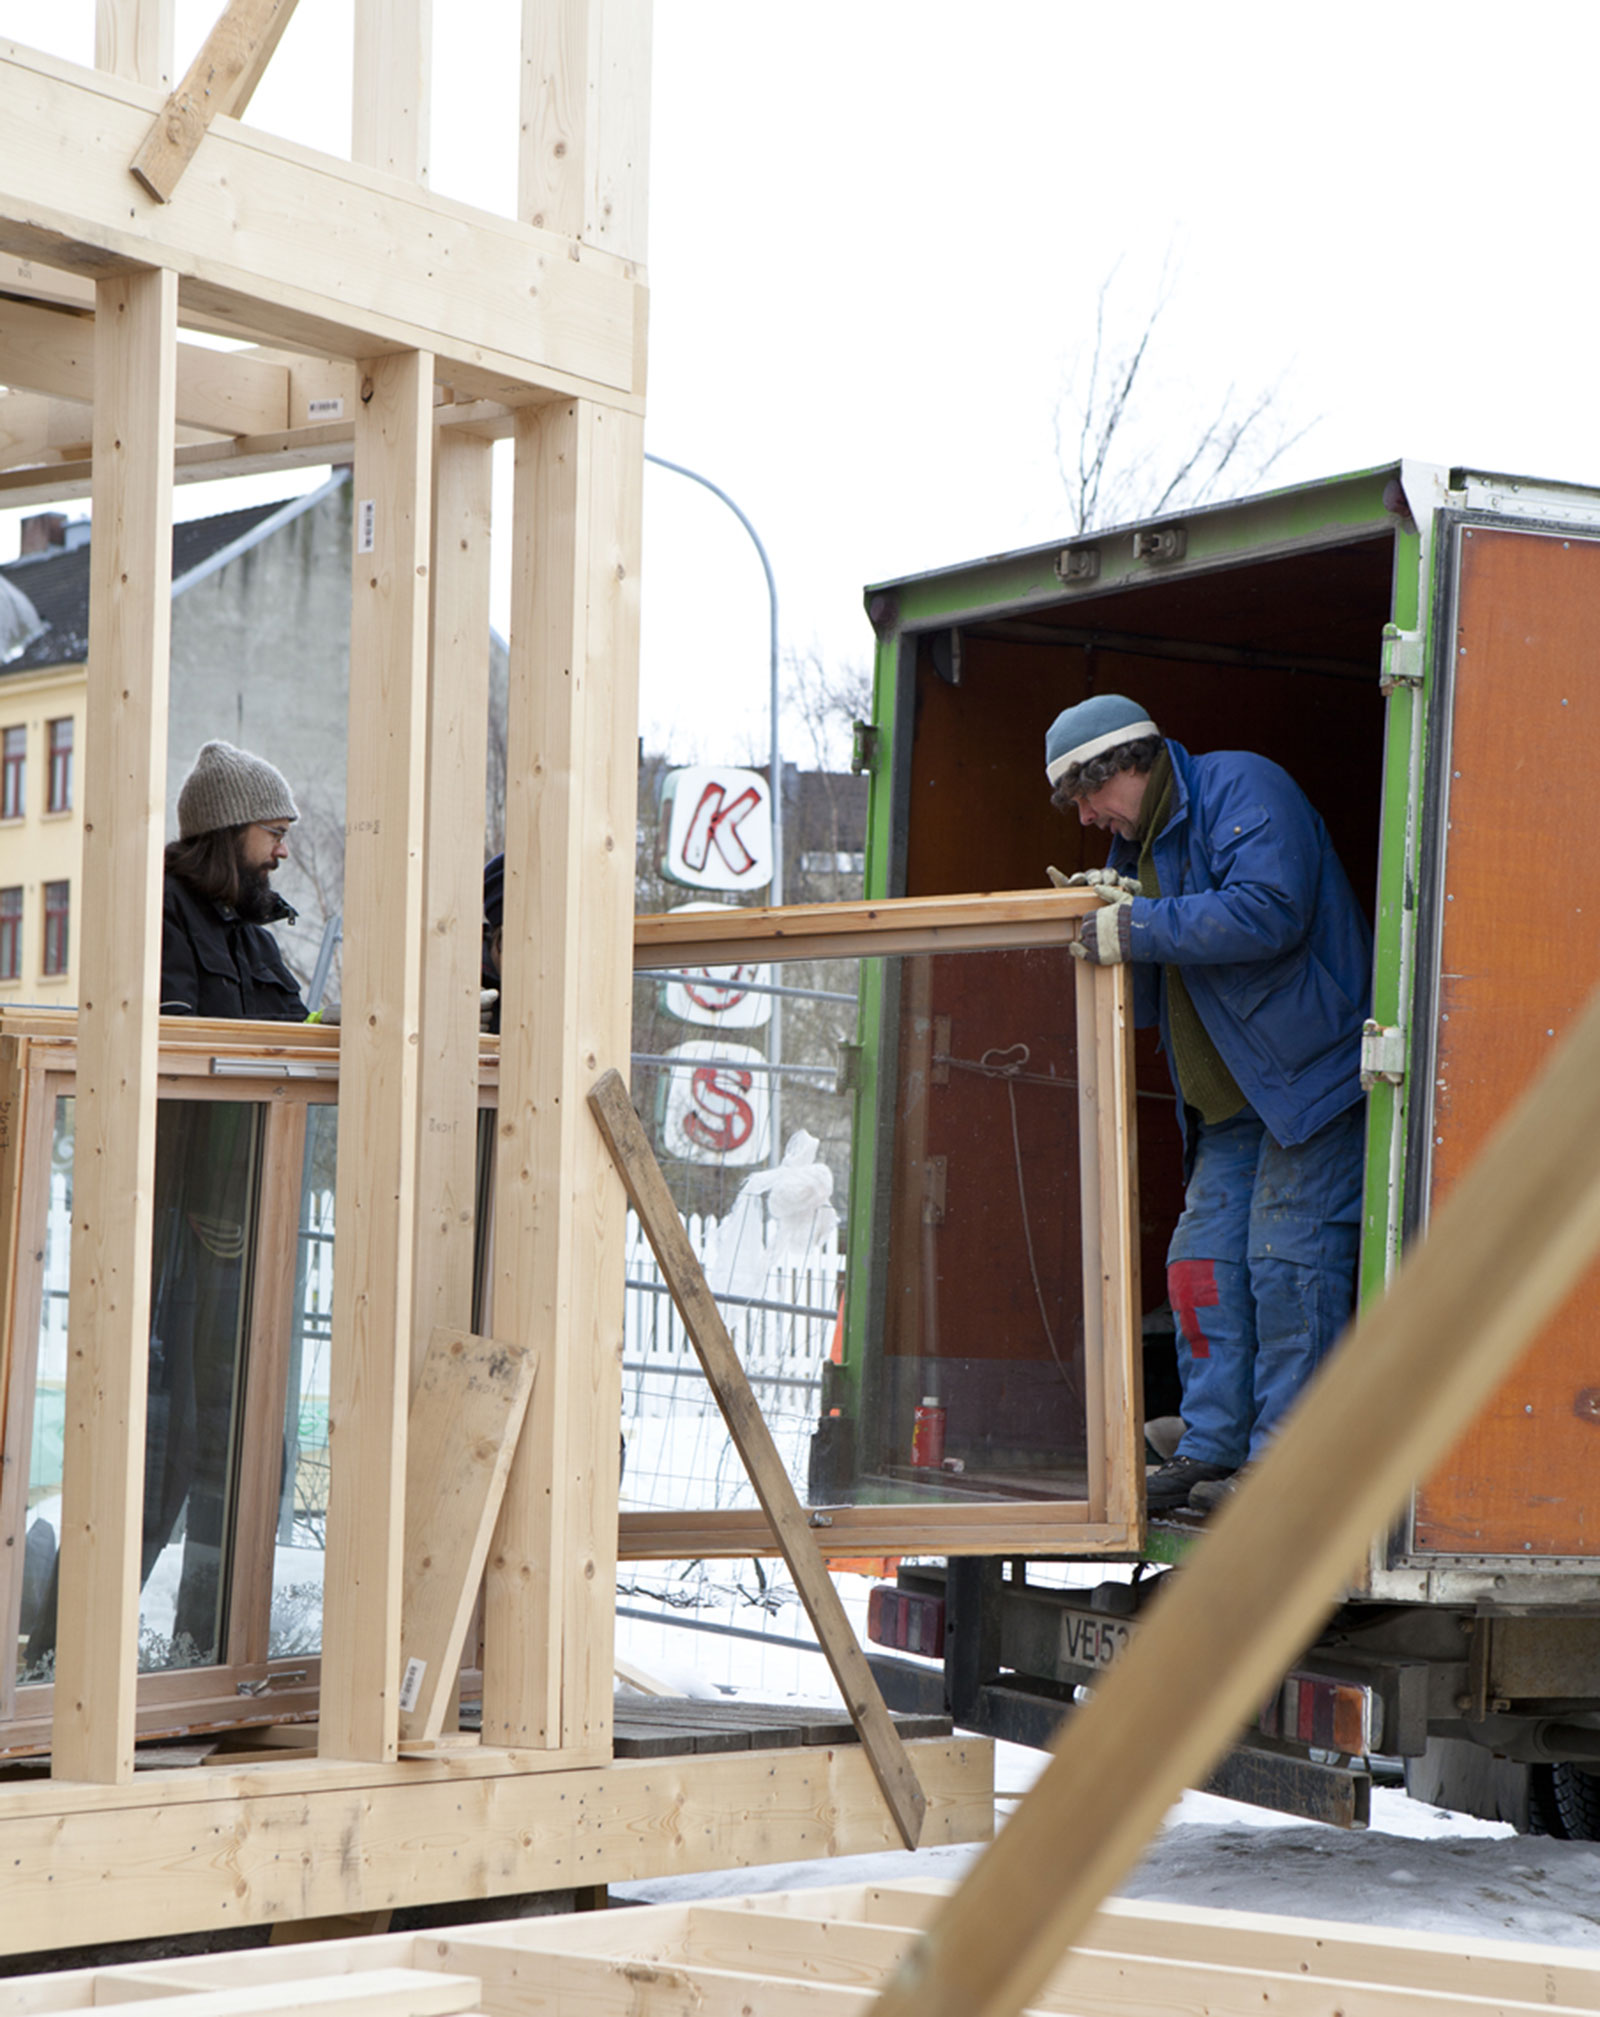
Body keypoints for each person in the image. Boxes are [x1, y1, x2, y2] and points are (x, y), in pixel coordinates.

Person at [1045, 693, 1371, 1513]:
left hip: (1310, 1083)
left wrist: (1138, 925)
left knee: (1287, 1269)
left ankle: (1281, 1466)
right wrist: (1113, 905)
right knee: (1200, 1273)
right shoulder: (1146, 842)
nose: (1085, 816)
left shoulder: (1240, 788)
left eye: (1088, 795)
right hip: (1229, 1108)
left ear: (1127, 764)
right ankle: (1211, 1448)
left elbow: (1270, 911)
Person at [160, 739, 309, 1021]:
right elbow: (174, 1037)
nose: (283, 851)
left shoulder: (257, 940)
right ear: (231, 829)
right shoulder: (163, 910)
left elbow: (299, 1035)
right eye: (275, 834)